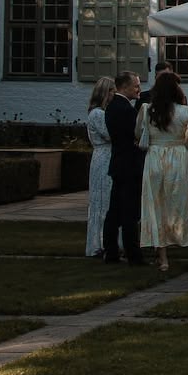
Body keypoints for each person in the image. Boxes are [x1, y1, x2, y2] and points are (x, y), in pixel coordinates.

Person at [138, 68, 188, 274]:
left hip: (155, 158)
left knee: (157, 206)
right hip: (178, 157)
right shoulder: (185, 112)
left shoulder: (148, 111)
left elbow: (139, 135)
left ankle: (164, 259)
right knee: (184, 205)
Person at [100, 71, 145, 266]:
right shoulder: (125, 109)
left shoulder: (112, 107)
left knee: (115, 212)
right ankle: (133, 254)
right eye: (136, 86)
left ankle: (111, 252)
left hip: (119, 165)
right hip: (129, 167)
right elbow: (135, 136)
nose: (139, 89)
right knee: (128, 213)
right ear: (125, 87)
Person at [81, 76, 115, 258]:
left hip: (104, 156)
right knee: (102, 201)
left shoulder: (100, 113)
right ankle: (99, 243)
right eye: (111, 92)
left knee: (107, 199)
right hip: (104, 157)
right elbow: (110, 134)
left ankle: (106, 241)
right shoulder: (97, 114)